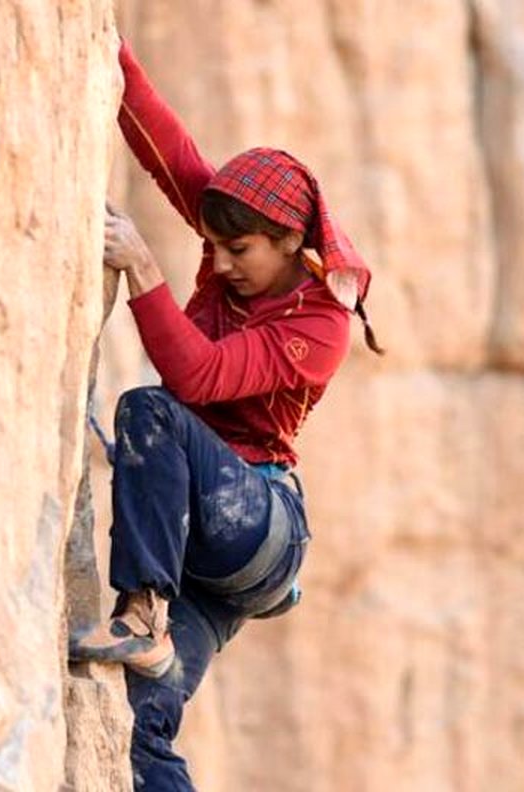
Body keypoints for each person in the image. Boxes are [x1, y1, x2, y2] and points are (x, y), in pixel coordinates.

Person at [68, 36, 383, 790]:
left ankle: (142, 615)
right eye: (214, 245)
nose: (224, 262)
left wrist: (143, 267)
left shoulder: (320, 326)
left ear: (290, 242)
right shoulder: (238, 251)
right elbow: (168, 151)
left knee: (153, 408)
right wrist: (106, 49)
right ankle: (146, 628)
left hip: (258, 525)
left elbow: (199, 377)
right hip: (201, 564)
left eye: (239, 249)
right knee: (142, 730)